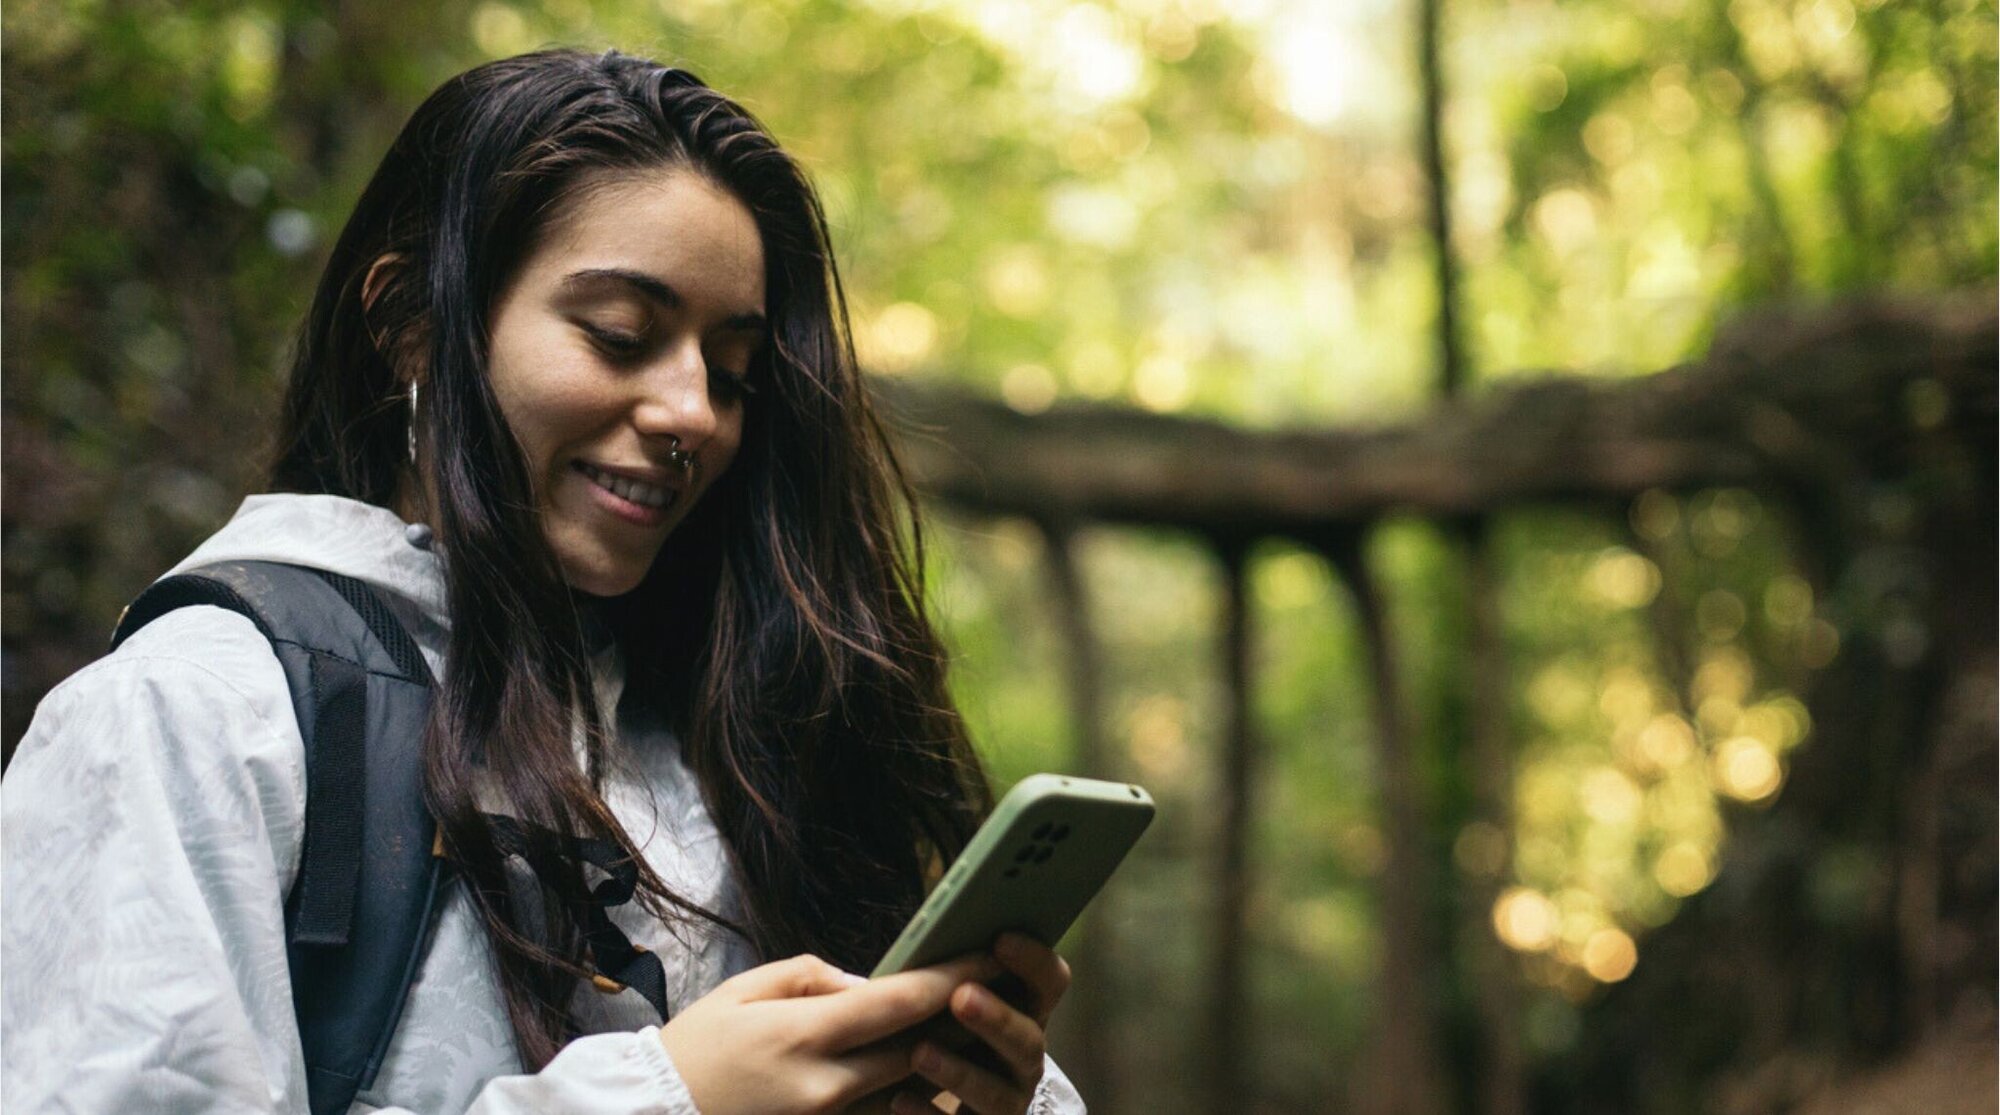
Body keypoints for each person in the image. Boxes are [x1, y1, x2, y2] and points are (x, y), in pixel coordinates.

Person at [1, 48, 1085, 1115]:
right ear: (406, 326)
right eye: (621, 335)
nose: (691, 412)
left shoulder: (734, 736)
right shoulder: (196, 714)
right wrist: (664, 1099)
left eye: (731, 370)